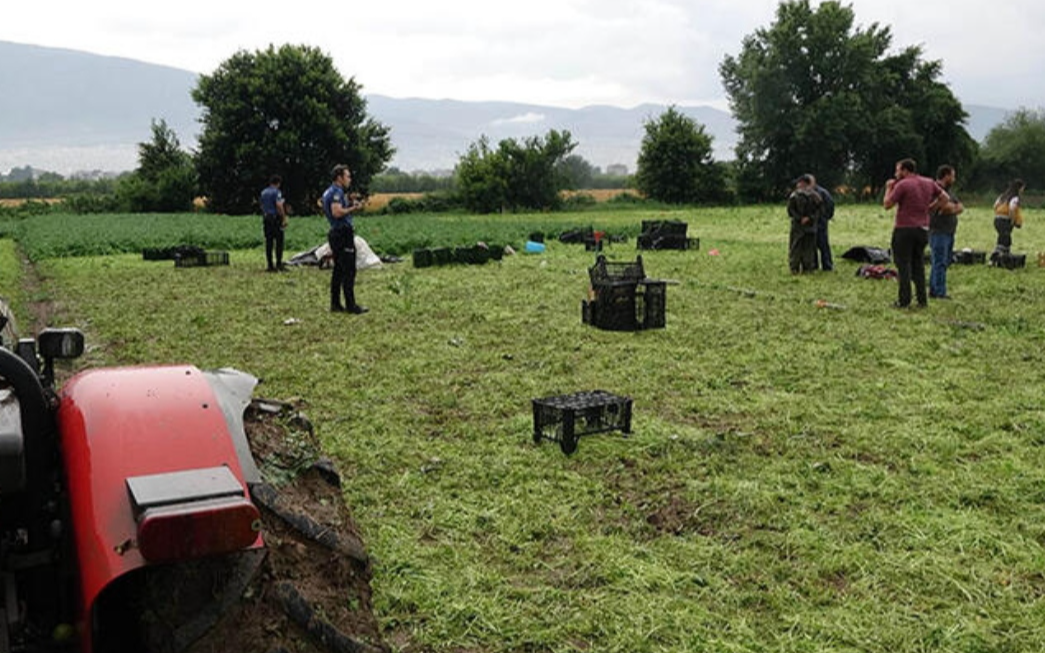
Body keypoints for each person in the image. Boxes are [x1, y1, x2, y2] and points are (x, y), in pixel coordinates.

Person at [883, 158, 948, 309]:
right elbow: (945, 198)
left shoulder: (903, 184)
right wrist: (930, 208)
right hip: (923, 229)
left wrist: (888, 188)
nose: (896, 173)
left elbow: (887, 204)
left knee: (903, 265)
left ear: (905, 170)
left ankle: (904, 301)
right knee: (918, 264)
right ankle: (922, 300)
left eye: (898, 170)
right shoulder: (929, 182)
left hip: (904, 229)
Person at [322, 165, 368, 314]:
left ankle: (335, 304)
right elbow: (336, 212)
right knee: (349, 270)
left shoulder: (328, 191)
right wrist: (353, 209)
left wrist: (348, 204)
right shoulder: (336, 192)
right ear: (339, 178)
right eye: (347, 176)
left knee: (338, 270)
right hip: (342, 234)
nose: (350, 179)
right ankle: (351, 305)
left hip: (335, 233)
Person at [928, 165, 964, 300]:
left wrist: (952, 208)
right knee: (939, 262)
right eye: (953, 176)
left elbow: (959, 207)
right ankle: (939, 292)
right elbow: (945, 208)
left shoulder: (949, 191)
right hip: (938, 231)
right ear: (946, 175)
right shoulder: (935, 190)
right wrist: (952, 208)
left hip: (948, 231)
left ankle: (934, 288)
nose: (954, 179)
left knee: (944, 261)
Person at [787, 175, 822, 274]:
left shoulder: (794, 196)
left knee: (796, 247)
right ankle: (808, 268)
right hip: (811, 226)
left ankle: (794, 268)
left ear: (802, 183)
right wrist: (810, 218)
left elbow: (790, 211)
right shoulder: (816, 196)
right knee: (809, 248)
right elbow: (819, 211)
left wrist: (800, 218)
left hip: (798, 227)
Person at [991, 178, 1026, 260]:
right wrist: (1012, 220)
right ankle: (997, 257)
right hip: (1005, 220)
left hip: (997, 220)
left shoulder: (1002, 196)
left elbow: (994, 206)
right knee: (1005, 240)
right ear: (1019, 188)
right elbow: (1012, 209)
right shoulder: (1015, 198)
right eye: (1022, 188)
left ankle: (1002, 257)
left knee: (1003, 238)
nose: (1022, 191)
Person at [259, 175, 288, 272]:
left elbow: (262, 206)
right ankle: (279, 264)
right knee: (279, 241)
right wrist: (283, 218)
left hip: (266, 218)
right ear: (278, 183)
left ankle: (270, 265)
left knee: (269, 242)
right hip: (275, 219)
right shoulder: (277, 192)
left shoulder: (263, 192)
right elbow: (279, 205)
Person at [809, 174, 835, 271]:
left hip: (821, 222)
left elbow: (830, 205)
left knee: (823, 244)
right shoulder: (809, 192)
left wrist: (825, 217)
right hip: (813, 222)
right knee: (812, 245)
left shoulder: (822, 192)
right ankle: (814, 264)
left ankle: (827, 265)